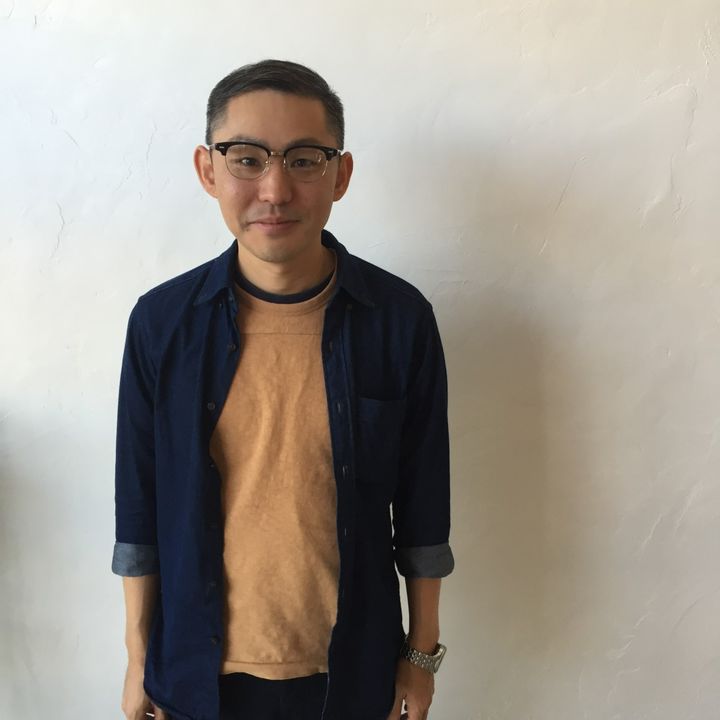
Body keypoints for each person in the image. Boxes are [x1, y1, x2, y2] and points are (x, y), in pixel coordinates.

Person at [112, 59, 455, 720]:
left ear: (340, 175)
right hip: (196, 677)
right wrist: (136, 656)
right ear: (208, 170)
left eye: (304, 160)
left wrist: (421, 657)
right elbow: (139, 510)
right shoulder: (161, 324)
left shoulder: (398, 320)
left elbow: (423, 510)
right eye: (246, 159)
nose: (275, 189)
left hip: (353, 676)